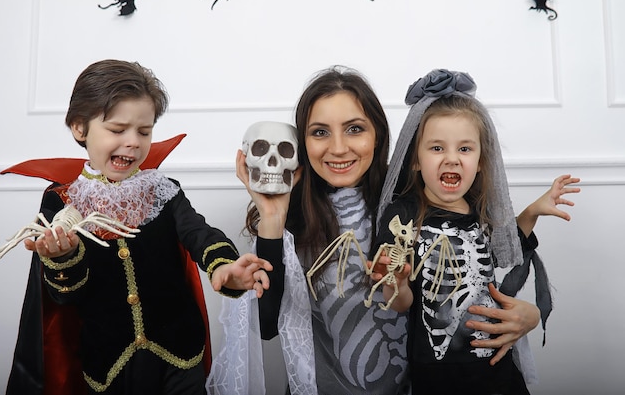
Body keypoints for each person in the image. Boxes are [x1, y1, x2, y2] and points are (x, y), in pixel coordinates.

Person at [207, 66, 542, 395]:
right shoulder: (294, 218)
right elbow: (268, 327)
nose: (338, 148)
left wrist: (528, 315)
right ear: (303, 142)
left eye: (354, 129)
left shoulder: (417, 204)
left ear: (379, 134)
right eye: (320, 132)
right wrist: (272, 216)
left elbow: (478, 281)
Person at [5, 59, 272, 395]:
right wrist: (64, 256)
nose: (133, 141)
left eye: (144, 131)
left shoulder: (163, 190)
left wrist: (225, 266)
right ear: (79, 127)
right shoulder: (61, 201)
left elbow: (198, 233)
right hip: (107, 365)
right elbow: (64, 294)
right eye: (118, 130)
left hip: (180, 355)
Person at [372, 68, 580, 395]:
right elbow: (400, 304)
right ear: (415, 159)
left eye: (465, 149)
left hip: (497, 368)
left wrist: (533, 211)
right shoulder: (403, 216)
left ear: (482, 161)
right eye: (437, 148)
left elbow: (505, 248)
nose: (452, 158)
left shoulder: (480, 209)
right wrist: (396, 282)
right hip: (435, 375)